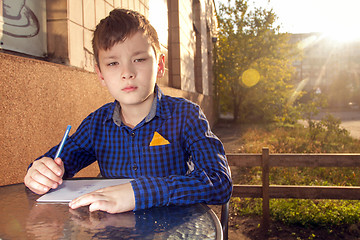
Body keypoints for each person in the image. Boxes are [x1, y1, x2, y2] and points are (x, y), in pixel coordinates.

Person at [24, 8, 232, 213]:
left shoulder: (186, 115)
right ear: (101, 74)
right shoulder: (96, 124)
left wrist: (139, 193)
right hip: (113, 231)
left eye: (139, 59)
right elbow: (56, 163)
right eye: (113, 63)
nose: (127, 73)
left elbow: (219, 182)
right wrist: (40, 172)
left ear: (159, 65)